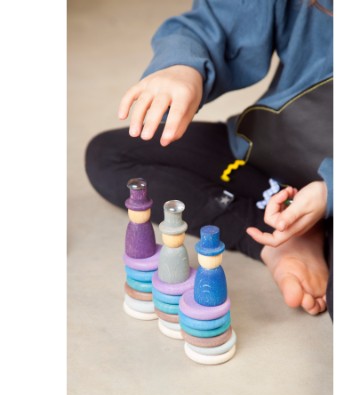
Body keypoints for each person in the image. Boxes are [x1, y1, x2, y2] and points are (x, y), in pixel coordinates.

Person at [85, 0, 334, 319]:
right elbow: (220, 21)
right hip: (265, 156)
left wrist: (331, 192)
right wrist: (182, 67)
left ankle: (307, 227)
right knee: (110, 155)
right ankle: (277, 234)